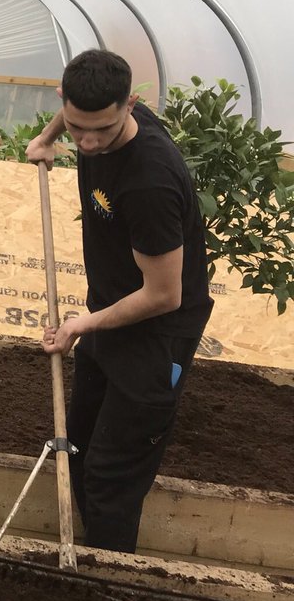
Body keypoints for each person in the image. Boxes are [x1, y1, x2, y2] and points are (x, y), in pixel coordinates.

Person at [27, 48, 213, 554]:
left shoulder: (149, 181)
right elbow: (76, 118)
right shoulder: (88, 116)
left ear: (130, 106)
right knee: (82, 447)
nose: (86, 142)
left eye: (101, 132)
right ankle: (86, 553)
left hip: (156, 336)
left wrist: (80, 326)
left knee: (113, 476)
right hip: (108, 313)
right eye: (76, 127)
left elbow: (164, 294)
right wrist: (47, 138)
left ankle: (109, 582)